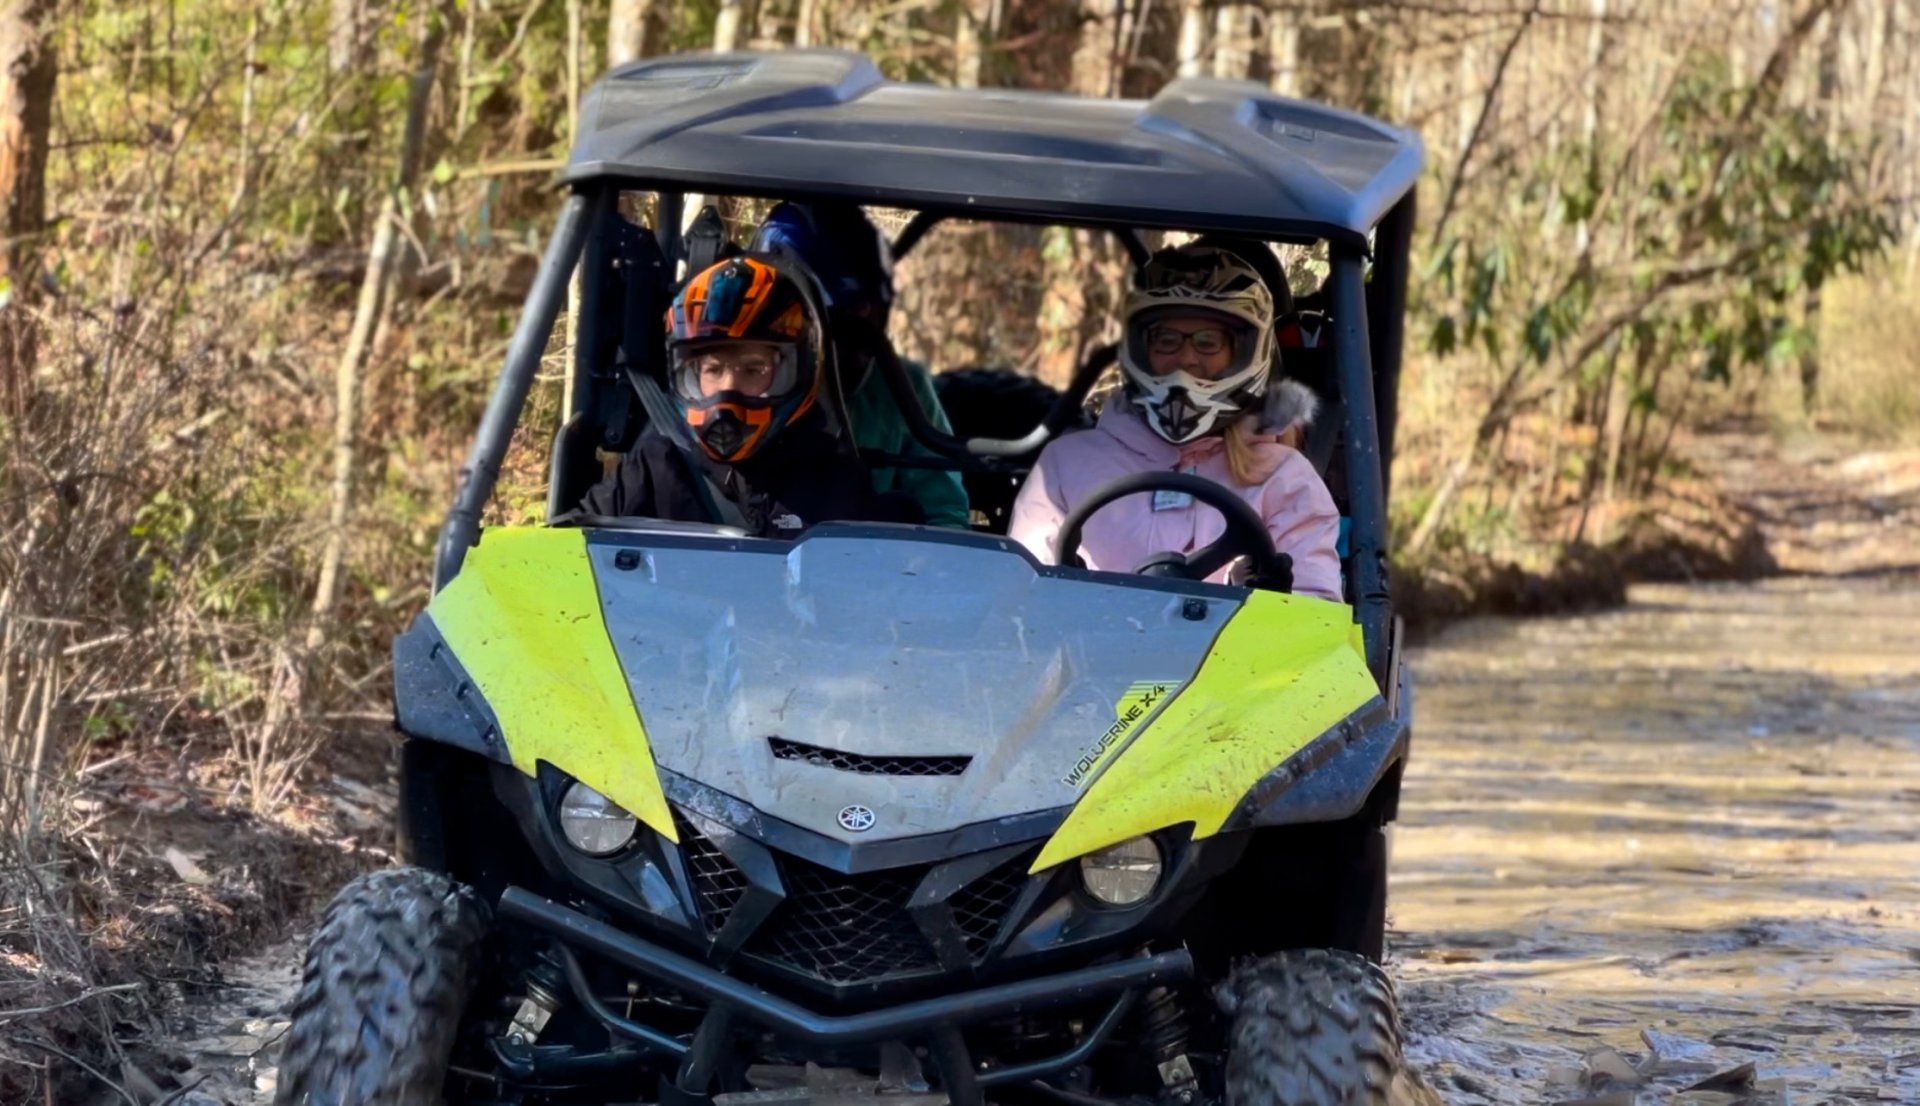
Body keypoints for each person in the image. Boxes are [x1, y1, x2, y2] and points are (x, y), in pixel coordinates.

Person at [1007, 243, 1342, 600]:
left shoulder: (1285, 478)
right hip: (1083, 637)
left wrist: (1258, 594)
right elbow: (1018, 598)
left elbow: (1317, 611)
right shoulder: (1065, 464)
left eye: (1208, 342)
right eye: (1166, 340)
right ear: (1140, 348)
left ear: (1243, 352)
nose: (1186, 359)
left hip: (1242, 640)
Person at [578, 253, 924, 536]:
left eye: (752, 370)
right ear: (690, 374)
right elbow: (569, 554)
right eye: (713, 370)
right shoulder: (657, 463)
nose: (727, 389)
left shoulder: (834, 480)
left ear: (794, 371)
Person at [752, 202, 972, 529]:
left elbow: (945, 514)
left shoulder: (900, 386)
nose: (850, 343)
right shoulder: (729, 386)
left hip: (867, 557)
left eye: (865, 312)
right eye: (836, 322)